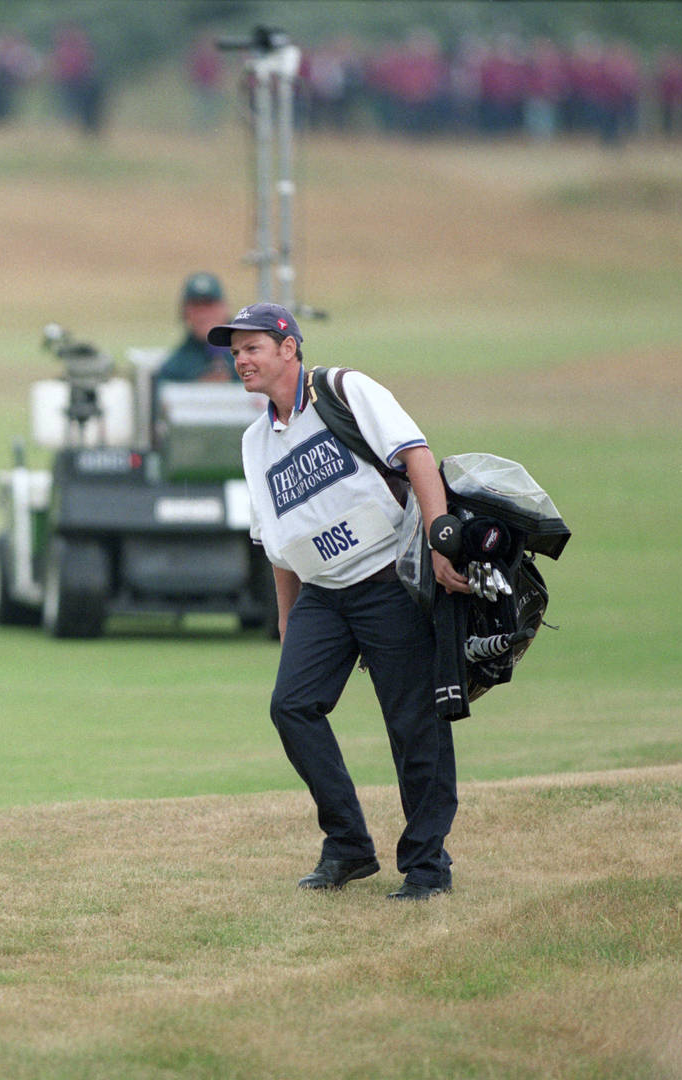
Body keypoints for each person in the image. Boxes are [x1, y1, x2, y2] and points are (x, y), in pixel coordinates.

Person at [211, 302, 468, 900]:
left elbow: (417, 456)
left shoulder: (345, 390)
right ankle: (349, 845)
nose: (241, 359)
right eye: (236, 351)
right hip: (322, 596)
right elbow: (275, 542)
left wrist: (439, 542)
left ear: (288, 349)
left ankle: (428, 865)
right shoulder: (256, 442)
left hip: (388, 582)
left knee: (413, 727)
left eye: (253, 348)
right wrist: (286, 617)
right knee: (291, 707)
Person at [155, 272, 235, 384]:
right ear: (184, 313)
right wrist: (197, 387)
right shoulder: (175, 368)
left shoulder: (252, 352)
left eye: (209, 304)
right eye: (196, 306)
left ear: (225, 308)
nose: (203, 314)